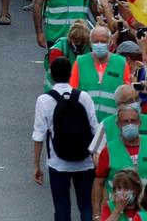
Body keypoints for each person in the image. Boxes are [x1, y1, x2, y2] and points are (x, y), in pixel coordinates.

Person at [36, 54, 103, 221]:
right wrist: (98, 157)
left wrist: (36, 165)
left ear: (51, 74)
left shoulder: (44, 100)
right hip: (85, 161)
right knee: (86, 206)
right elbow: (95, 128)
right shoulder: (84, 97)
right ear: (71, 74)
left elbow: (38, 135)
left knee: (62, 207)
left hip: (58, 163)